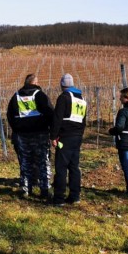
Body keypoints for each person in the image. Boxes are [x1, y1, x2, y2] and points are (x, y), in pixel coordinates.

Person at [6, 74, 54, 200]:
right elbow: (50, 112)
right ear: (35, 82)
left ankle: (25, 189)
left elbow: (10, 115)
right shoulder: (39, 95)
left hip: (22, 135)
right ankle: (45, 190)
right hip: (40, 134)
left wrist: (17, 129)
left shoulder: (16, 96)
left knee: (25, 161)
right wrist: (50, 129)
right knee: (43, 161)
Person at [51, 74, 87, 205]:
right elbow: (84, 120)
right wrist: (80, 134)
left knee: (61, 167)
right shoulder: (82, 99)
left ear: (62, 85)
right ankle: (75, 196)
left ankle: (59, 198)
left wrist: (53, 136)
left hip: (64, 138)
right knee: (74, 167)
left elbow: (57, 118)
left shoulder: (63, 97)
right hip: (77, 137)